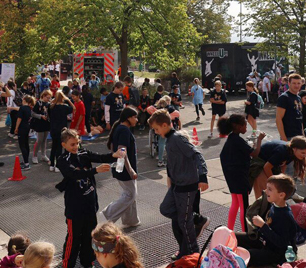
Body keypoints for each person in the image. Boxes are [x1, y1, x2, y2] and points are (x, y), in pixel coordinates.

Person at [56, 128, 124, 268]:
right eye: (72, 144)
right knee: (73, 239)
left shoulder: (83, 153)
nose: (76, 147)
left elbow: (100, 157)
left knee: (89, 236)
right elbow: (74, 174)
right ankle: (67, 264)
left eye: (77, 143)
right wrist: (95, 170)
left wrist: (114, 155)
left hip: (90, 204)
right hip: (74, 207)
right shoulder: (62, 160)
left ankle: (87, 262)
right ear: (64, 145)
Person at [149, 109, 209, 260]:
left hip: (187, 187)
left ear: (164, 125)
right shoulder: (170, 139)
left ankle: (191, 252)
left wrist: (203, 176)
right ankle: (194, 219)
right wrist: (170, 179)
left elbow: (197, 154)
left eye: (156, 129)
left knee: (183, 221)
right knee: (166, 209)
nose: (156, 132)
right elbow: (172, 163)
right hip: (177, 186)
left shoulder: (177, 138)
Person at [235, 174, 298, 266]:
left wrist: (263, 226)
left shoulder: (285, 216)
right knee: (232, 236)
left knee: (242, 256)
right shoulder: (274, 206)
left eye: (270, 189)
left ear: (281, 195)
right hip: (264, 242)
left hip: (276, 253)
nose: (265, 191)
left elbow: (281, 243)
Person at [218, 114, 265, 230]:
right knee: (244, 205)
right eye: (244, 125)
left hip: (231, 176)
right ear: (238, 127)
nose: (246, 128)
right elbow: (254, 154)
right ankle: (245, 232)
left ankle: (229, 229)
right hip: (239, 177)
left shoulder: (231, 138)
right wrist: (259, 140)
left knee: (235, 203)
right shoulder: (237, 140)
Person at [102, 107, 140, 228]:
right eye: (134, 117)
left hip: (120, 165)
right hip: (123, 166)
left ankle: (131, 220)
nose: (137, 120)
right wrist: (130, 169)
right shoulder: (124, 130)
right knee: (130, 194)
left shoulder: (120, 128)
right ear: (128, 118)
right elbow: (122, 151)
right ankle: (107, 214)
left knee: (129, 193)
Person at [49, 92, 75, 172]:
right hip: (61, 129)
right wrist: (68, 100)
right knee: (59, 147)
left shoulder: (51, 106)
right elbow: (74, 108)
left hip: (53, 128)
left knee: (54, 146)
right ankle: (57, 165)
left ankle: (52, 164)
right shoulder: (65, 107)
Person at [276, 73, 304, 141]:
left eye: (298, 83)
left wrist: (303, 135)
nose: (296, 85)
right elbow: (278, 119)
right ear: (289, 84)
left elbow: (300, 117)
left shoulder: (299, 98)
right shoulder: (284, 97)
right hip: (288, 136)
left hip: (299, 135)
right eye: (294, 83)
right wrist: (284, 139)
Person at [15, 95, 35, 170]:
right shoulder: (29, 109)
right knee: (26, 144)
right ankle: (25, 160)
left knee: (22, 145)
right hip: (27, 127)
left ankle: (26, 164)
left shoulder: (22, 108)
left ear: (24, 100)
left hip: (22, 128)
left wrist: (16, 128)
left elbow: (19, 119)